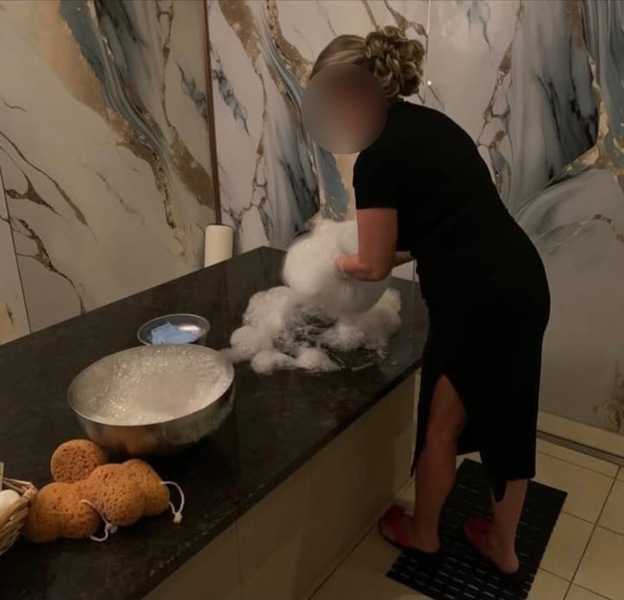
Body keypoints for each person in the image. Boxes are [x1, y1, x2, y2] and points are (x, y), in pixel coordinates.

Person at [308, 25, 551, 576]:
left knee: (442, 424)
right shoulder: (428, 125)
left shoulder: (376, 157)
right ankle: (503, 546)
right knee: (512, 419)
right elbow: (430, 234)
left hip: (477, 303)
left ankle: (423, 533)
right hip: (520, 283)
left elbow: (373, 266)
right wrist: (364, 252)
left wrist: (332, 259)